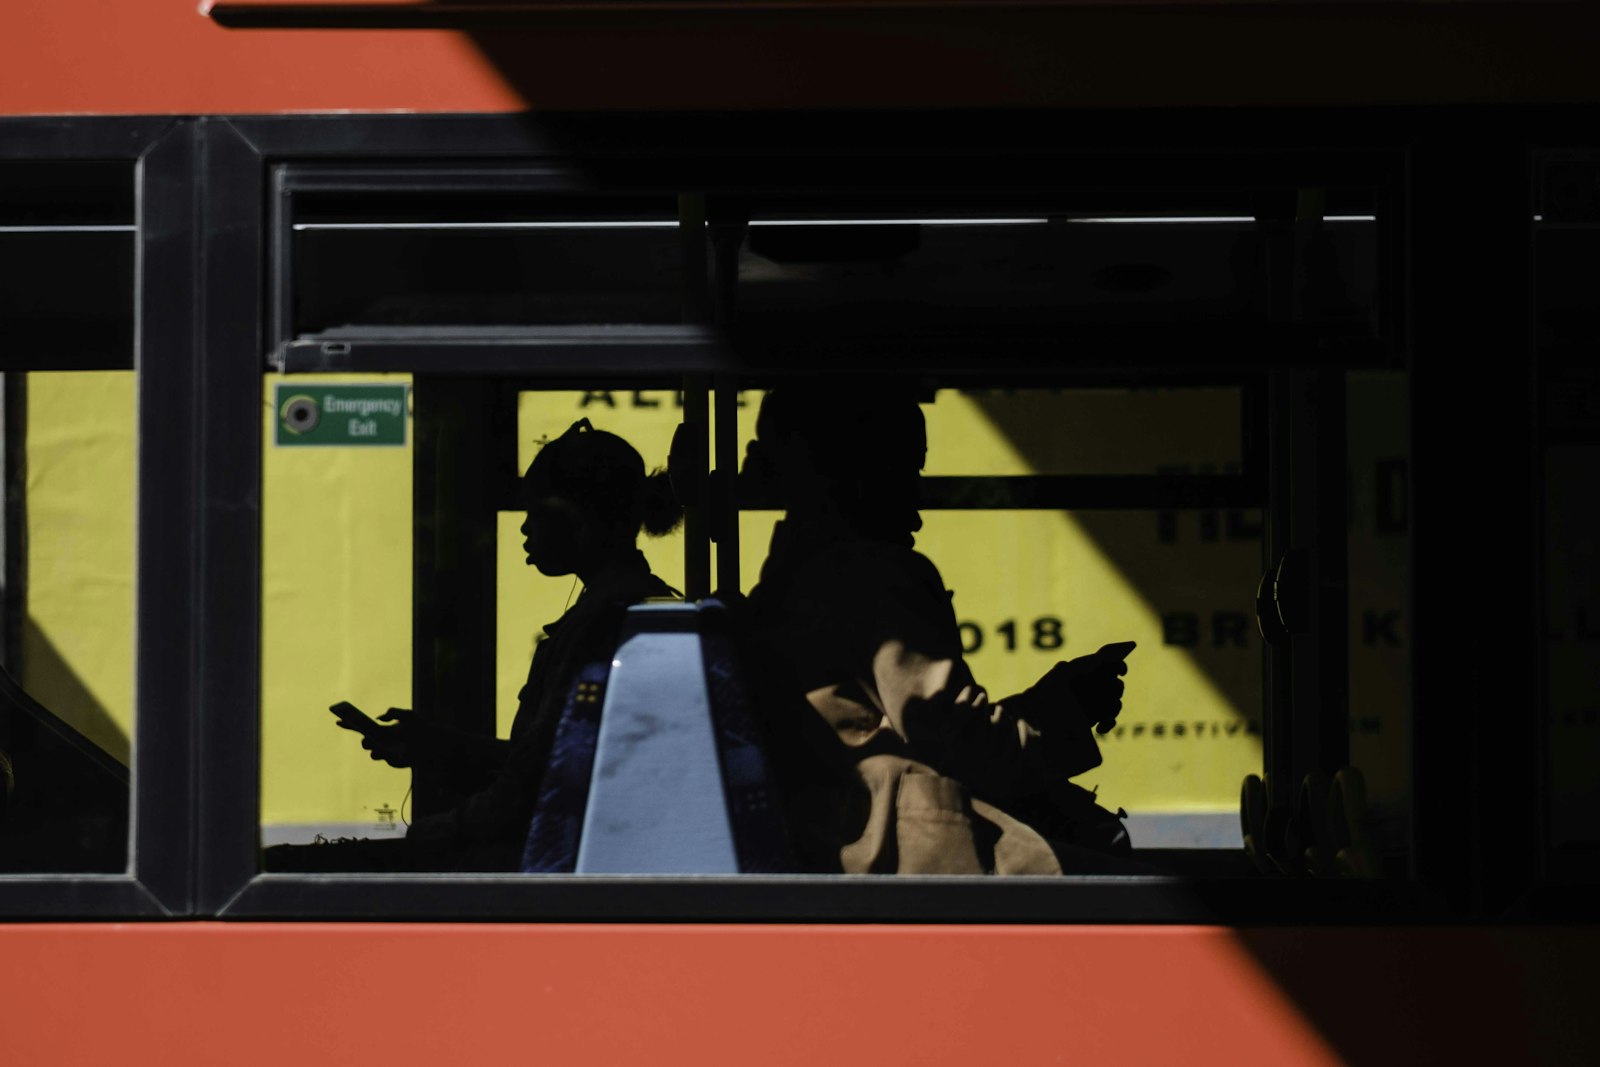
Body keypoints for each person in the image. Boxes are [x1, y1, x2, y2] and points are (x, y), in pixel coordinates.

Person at [743, 384, 1137, 875]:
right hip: (902, 857)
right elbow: (964, 747)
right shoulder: (868, 573)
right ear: (858, 473)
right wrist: (1069, 706)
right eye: (904, 472)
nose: (917, 502)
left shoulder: (788, 581)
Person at [268, 419, 681, 872]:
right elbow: (543, 763)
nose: (524, 529)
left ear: (575, 517)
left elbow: (529, 791)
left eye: (535, 512)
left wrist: (425, 835)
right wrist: (439, 747)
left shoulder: (603, 623)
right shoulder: (625, 605)